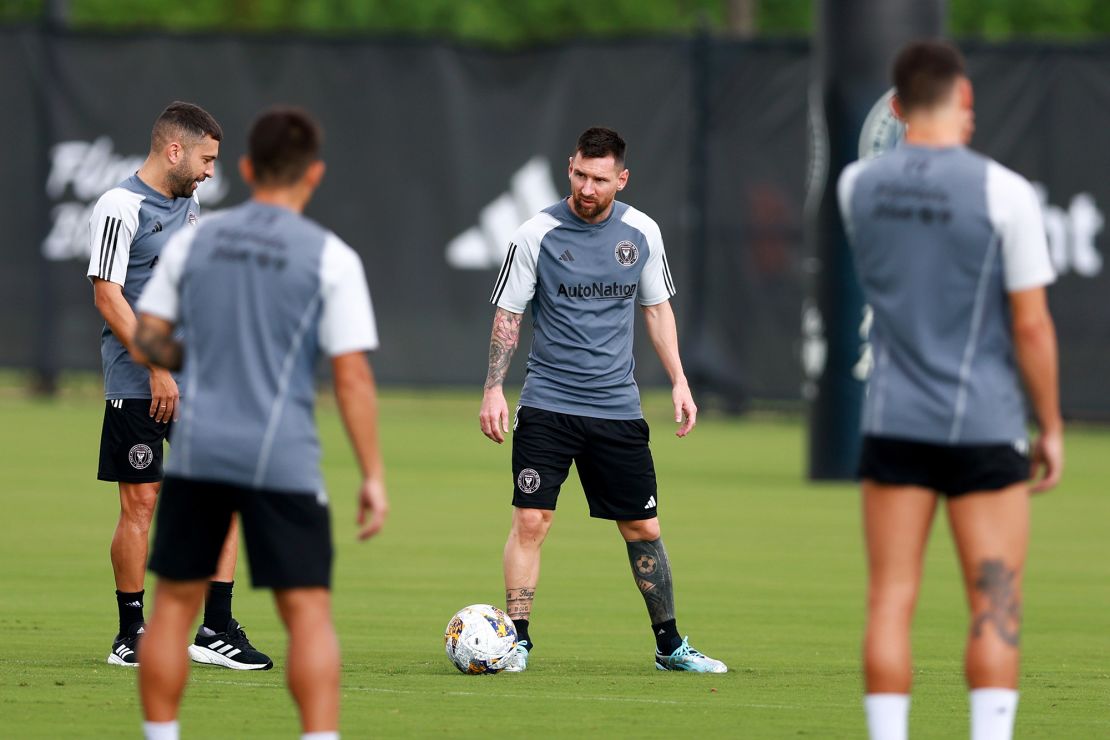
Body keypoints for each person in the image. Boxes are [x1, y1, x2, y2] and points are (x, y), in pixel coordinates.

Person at [132, 107, 387, 740]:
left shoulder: (196, 238)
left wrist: (200, 355)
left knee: (170, 613)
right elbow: (351, 376)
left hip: (199, 453)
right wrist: (372, 474)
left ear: (245, 169)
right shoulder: (331, 258)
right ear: (315, 174)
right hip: (283, 459)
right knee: (306, 616)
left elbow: (148, 339)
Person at [838, 40, 1063, 740]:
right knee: (995, 602)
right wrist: (1049, 426)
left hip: (894, 420)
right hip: (984, 426)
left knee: (890, 600)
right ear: (964, 103)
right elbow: (1030, 327)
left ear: (897, 107)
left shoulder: (855, 187)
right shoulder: (1005, 192)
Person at [479, 127, 726, 674]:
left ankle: (670, 647)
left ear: (622, 178)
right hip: (547, 405)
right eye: (579, 175)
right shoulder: (535, 233)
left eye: (599, 179)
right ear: (569, 167)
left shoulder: (641, 232)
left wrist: (680, 380)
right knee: (532, 520)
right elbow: (508, 315)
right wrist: (494, 386)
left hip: (617, 409)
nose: (587, 188)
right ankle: (518, 640)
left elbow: (657, 309)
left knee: (643, 530)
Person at [86, 101, 271, 670]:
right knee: (142, 501)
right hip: (138, 380)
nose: (212, 170)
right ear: (174, 150)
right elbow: (108, 295)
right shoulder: (119, 206)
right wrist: (158, 367)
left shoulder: (188, 206)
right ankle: (130, 633)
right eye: (206, 158)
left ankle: (216, 628)